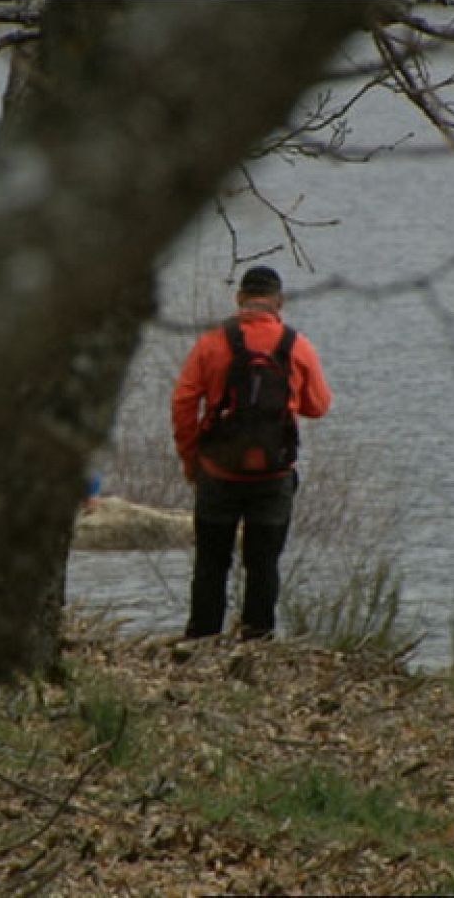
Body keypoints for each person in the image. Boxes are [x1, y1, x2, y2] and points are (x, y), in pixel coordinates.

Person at [171, 265, 332, 641]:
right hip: (273, 477)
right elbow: (318, 406)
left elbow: (183, 403)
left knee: (211, 564)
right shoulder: (298, 346)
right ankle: (257, 641)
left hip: (218, 472)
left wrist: (192, 460)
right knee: (263, 565)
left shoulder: (212, 342)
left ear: (240, 299)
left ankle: (201, 641)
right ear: (279, 302)